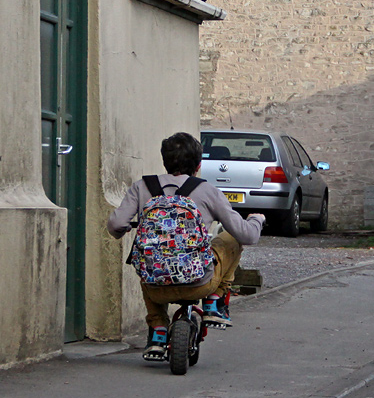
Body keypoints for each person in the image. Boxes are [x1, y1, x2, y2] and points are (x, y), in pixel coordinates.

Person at [107, 132, 265, 359]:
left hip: (156, 288)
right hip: (201, 282)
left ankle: (158, 329)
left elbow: (116, 225)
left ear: (164, 161)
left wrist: (132, 228)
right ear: (198, 165)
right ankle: (214, 301)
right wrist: (256, 220)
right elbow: (247, 236)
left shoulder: (142, 187)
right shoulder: (207, 191)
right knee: (231, 239)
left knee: (144, 255)